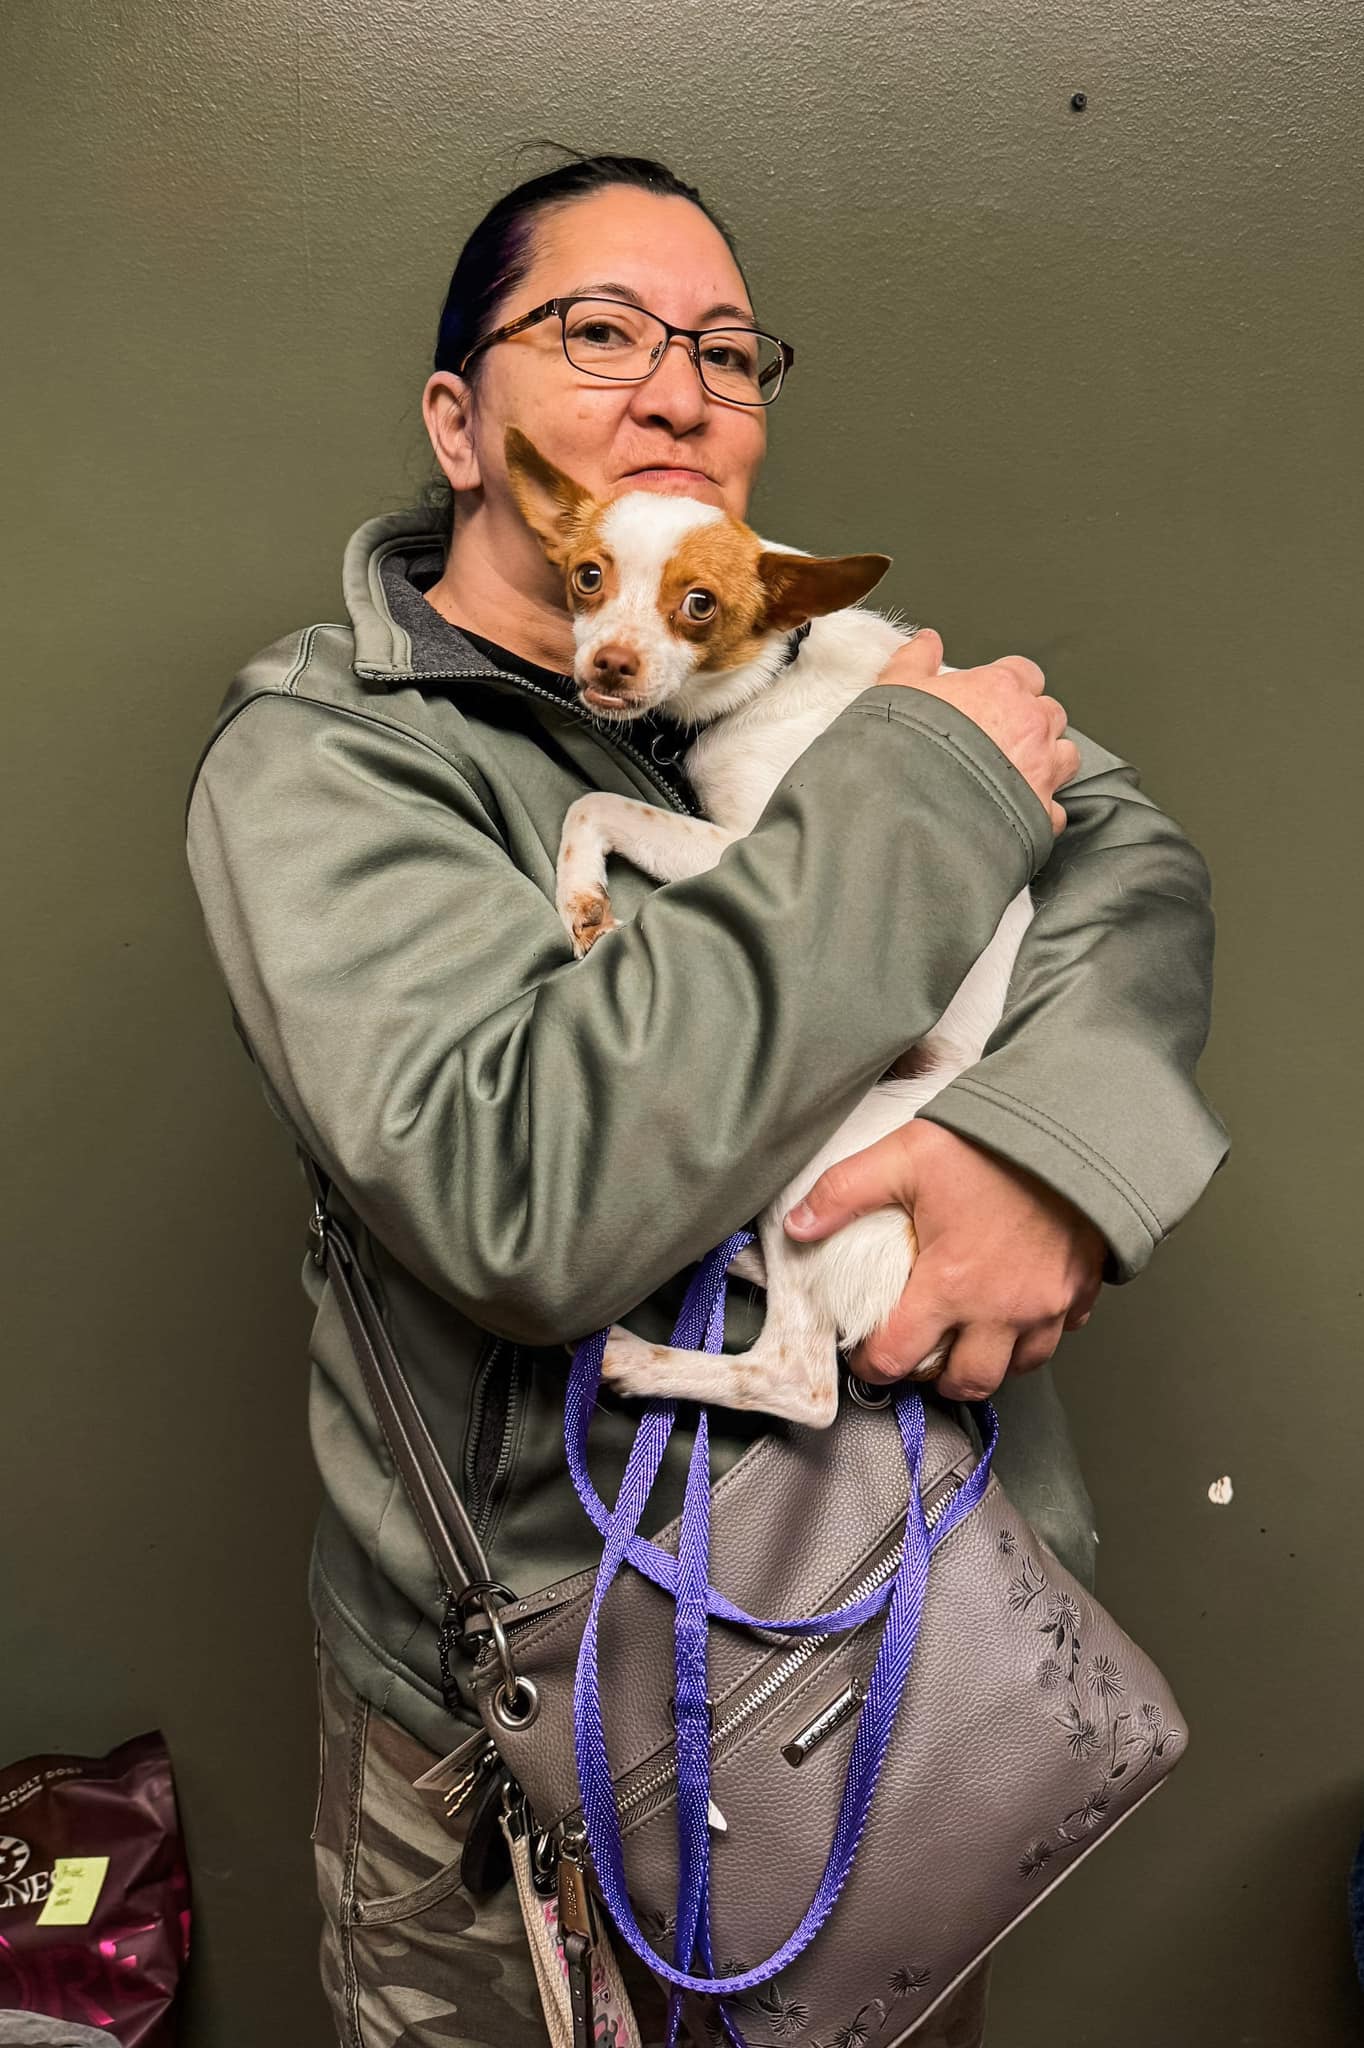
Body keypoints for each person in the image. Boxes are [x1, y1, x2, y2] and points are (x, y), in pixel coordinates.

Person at [184, 149, 1227, 2048]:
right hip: (522, 1766)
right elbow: (530, 1193)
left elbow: (1127, 866)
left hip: (904, 1674)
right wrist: (925, 796)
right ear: (463, 421)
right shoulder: (328, 765)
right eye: (601, 332)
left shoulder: (795, 652)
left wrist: (1042, 1151)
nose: (678, 388)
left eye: (730, 355)